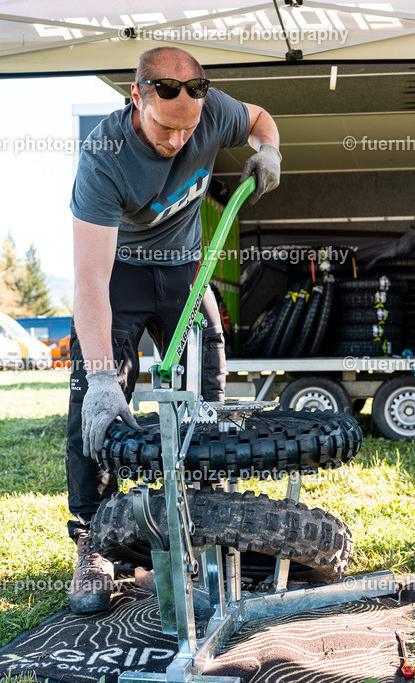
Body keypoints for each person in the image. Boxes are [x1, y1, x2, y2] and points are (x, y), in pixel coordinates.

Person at [66, 46, 281, 613]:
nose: (176, 141)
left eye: (187, 131)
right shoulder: (104, 156)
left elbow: (260, 119)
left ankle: (201, 518)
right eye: (164, 129)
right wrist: (102, 378)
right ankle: (92, 542)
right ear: (136, 98)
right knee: (93, 405)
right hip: (120, 276)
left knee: (206, 390)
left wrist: (269, 151)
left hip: (185, 268)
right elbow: (88, 279)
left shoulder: (211, 111)